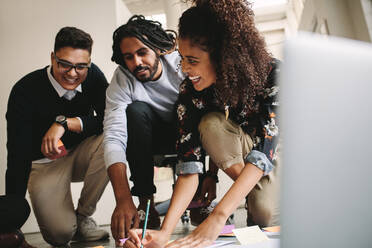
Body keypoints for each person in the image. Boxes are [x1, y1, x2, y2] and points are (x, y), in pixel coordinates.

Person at [126, 0, 281, 247]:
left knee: (265, 217)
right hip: (246, 151)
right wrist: (165, 232)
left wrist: (218, 217)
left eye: (193, 60)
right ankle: (254, 193)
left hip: (281, 152)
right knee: (211, 124)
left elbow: (264, 151)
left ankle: (270, 196)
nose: (184, 68)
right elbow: (189, 167)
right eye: (182, 59)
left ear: (223, 57)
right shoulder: (190, 92)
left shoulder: (273, 75)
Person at [6, 27, 110, 246]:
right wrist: (11, 219)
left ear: (89, 62)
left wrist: (65, 123)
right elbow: (17, 154)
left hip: (82, 152)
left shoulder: (93, 76)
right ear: (52, 58)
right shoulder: (24, 90)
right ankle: (69, 226)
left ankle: (83, 217)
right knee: (59, 235)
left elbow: (109, 119)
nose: (73, 73)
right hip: (44, 164)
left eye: (81, 66)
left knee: (112, 140)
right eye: (65, 64)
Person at [103, 15, 184, 245]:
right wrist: (122, 198)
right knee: (135, 112)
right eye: (128, 57)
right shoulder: (122, 79)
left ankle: (201, 197)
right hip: (150, 137)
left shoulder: (181, 64)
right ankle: (145, 203)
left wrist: (210, 176)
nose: (136, 62)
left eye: (142, 53)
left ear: (158, 49)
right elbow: (114, 137)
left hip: (187, 130)